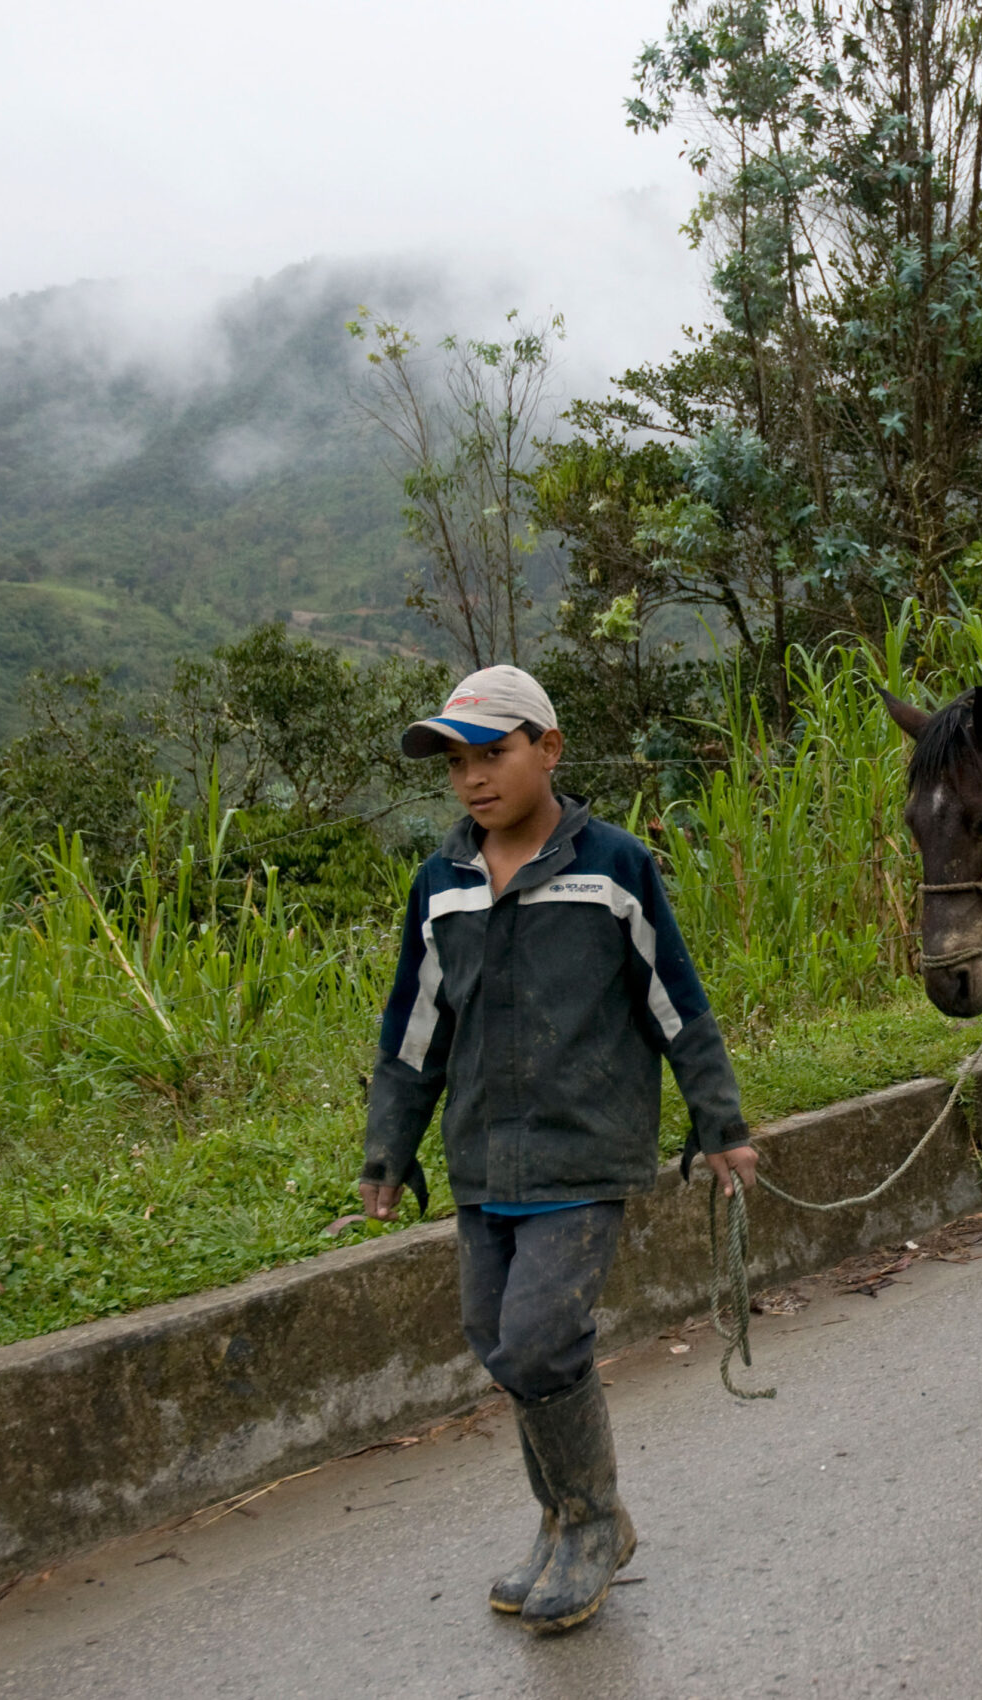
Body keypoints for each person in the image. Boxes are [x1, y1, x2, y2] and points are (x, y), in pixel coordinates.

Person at [357, 664, 757, 1636]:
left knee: (540, 1337)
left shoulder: (613, 868)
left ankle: (589, 1521)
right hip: (482, 1157)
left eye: (492, 753)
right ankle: (569, 1514)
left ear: (549, 747)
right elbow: (414, 1031)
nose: (473, 779)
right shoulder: (440, 886)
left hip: (584, 1151)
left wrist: (719, 1121)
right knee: (499, 1339)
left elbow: (677, 1003)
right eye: (456, 762)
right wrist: (386, 1149)